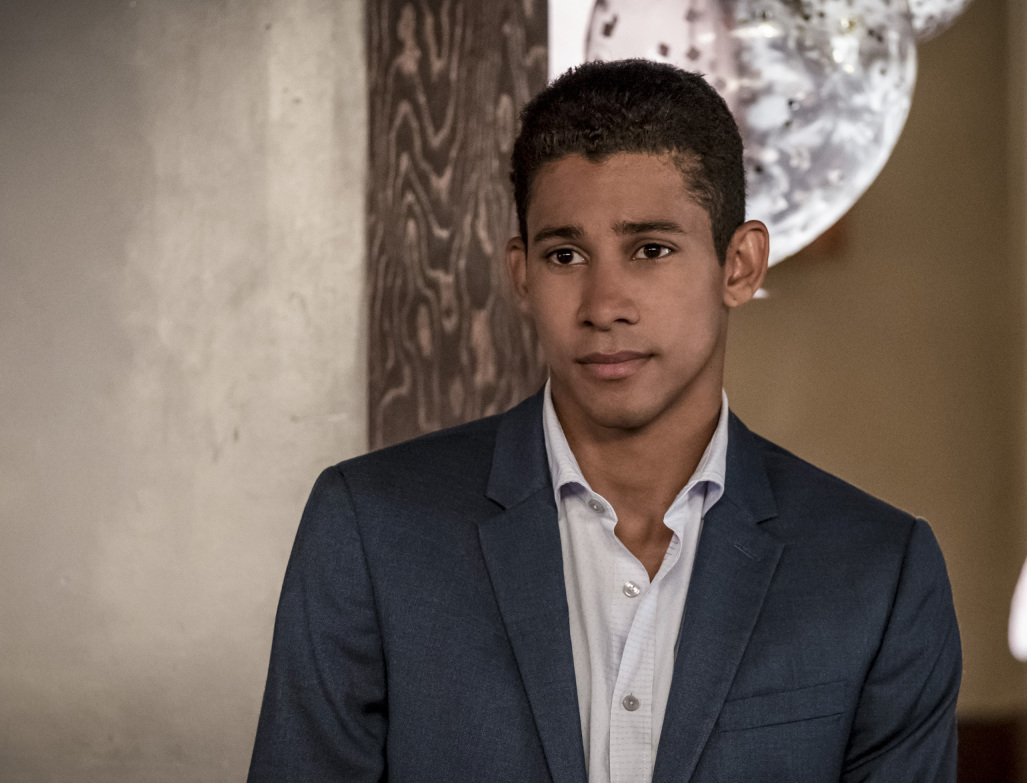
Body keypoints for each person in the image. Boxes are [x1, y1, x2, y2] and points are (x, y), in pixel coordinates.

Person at [248, 59, 961, 783]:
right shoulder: (372, 531)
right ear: (522, 275)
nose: (603, 304)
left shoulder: (878, 572)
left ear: (740, 265)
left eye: (651, 249)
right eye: (565, 255)